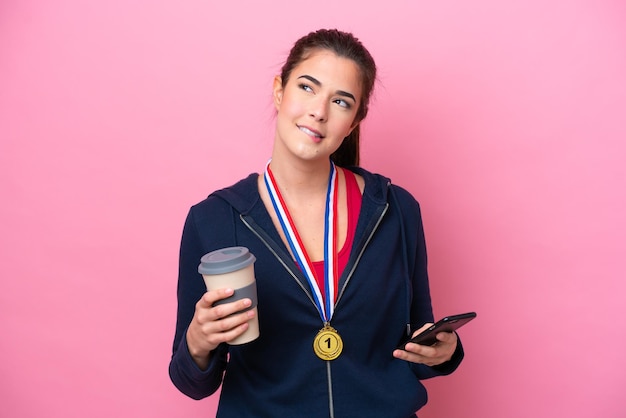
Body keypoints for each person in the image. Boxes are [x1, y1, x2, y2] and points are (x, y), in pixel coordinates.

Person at [169, 28, 465, 417]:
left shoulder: (396, 210)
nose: (319, 111)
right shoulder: (214, 220)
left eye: (341, 101)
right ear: (279, 90)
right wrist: (198, 340)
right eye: (307, 87)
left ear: (355, 121)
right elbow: (191, 382)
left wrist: (445, 353)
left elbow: (416, 346)